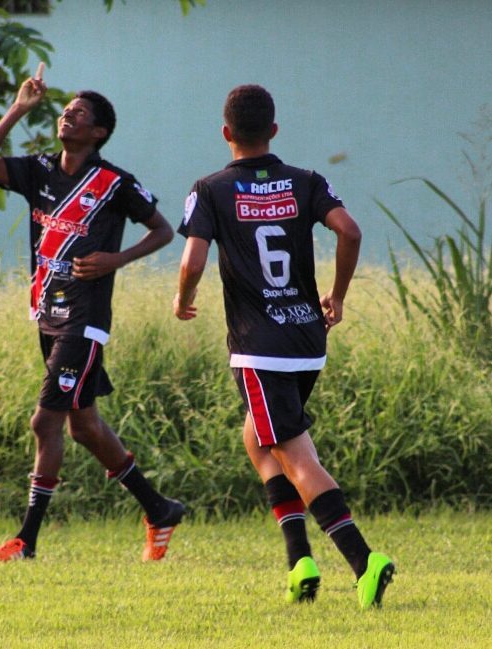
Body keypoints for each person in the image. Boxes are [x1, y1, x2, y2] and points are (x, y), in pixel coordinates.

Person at [174, 84, 394, 609]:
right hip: (304, 337)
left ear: (226, 133)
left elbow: (192, 261)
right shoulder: (307, 181)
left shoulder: (210, 189)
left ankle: (365, 562)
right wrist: (335, 298)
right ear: (274, 130)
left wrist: (183, 299)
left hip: (258, 346)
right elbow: (352, 232)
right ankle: (300, 561)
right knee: (259, 438)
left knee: (294, 454)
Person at [0, 63, 184, 562]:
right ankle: (159, 509)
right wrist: (19, 109)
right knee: (83, 426)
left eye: (78, 114)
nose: (67, 118)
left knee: (44, 423)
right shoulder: (38, 169)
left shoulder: (113, 182)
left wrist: (116, 259)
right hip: (46, 312)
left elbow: (163, 230)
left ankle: (26, 542)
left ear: (99, 131)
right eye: (64, 112)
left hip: (84, 321)